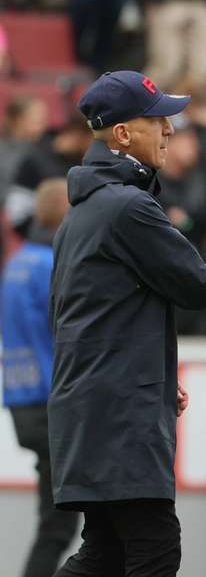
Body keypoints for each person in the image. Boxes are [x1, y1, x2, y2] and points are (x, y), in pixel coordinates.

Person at [48, 70, 206, 577]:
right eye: (158, 119)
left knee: (106, 553)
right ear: (122, 134)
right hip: (116, 413)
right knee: (154, 548)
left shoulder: (87, 211)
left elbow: (82, 314)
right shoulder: (127, 208)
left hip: (96, 404)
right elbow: (196, 285)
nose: (171, 130)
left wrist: (147, 369)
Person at [2, 179, 77, 577]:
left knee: (56, 522)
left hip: (21, 400)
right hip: (52, 403)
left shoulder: (16, 263)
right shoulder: (51, 264)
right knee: (60, 527)